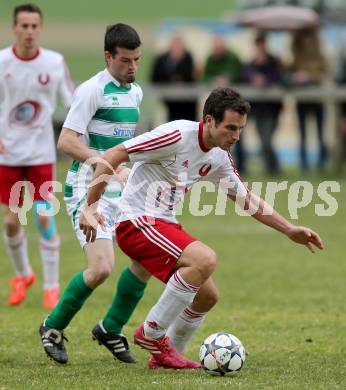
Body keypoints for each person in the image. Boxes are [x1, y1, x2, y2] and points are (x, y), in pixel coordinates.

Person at [80, 87, 324, 369]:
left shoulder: (219, 156)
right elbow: (114, 153)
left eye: (241, 129)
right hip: (135, 221)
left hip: (163, 223)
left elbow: (246, 198)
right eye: (230, 128)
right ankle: (151, 334)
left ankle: (165, 357)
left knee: (208, 296)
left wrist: (289, 229)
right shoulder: (177, 134)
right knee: (204, 259)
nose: (236, 136)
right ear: (209, 121)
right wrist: (90, 207)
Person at [38, 23, 152, 365]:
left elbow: (128, 145)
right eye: (125, 60)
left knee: (146, 259)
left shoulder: (136, 93)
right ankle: (52, 327)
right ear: (108, 57)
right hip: (88, 189)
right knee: (102, 267)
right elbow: (67, 141)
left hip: (123, 190)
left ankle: (111, 328)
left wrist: (132, 169)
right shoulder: (92, 90)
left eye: (137, 60)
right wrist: (104, 162)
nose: (132, 67)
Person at [0, 4, 74, 308]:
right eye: (24, 26)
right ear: (14, 28)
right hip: (8, 153)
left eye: (34, 26)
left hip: (42, 153)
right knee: (11, 221)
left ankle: (52, 286)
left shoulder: (54, 62)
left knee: (44, 215)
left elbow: (72, 100)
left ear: (40, 29)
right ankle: (23, 275)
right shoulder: (2, 61)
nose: (30, 31)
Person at [288, 27, 330, 171]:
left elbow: (326, 75)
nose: (308, 41)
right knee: (303, 134)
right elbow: (289, 73)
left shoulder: (321, 57)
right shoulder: (298, 57)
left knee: (320, 134)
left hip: (318, 100)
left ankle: (321, 163)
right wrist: (297, 77)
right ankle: (304, 164)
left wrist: (309, 77)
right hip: (302, 101)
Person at [203, 35, 245, 173]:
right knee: (221, 135)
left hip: (235, 104)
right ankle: (215, 165)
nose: (217, 50)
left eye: (219, 47)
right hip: (218, 106)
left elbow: (237, 73)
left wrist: (226, 79)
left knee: (236, 136)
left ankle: (240, 166)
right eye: (215, 48)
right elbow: (204, 76)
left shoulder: (232, 57)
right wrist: (214, 80)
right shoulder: (210, 59)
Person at [243, 32, 282, 175]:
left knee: (266, 140)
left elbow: (278, 77)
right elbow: (245, 74)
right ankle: (271, 169)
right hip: (258, 109)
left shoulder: (274, 62)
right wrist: (255, 75)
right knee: (263, 140)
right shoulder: (252, 64)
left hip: (271, 109)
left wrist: (264, 78)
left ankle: (274, 168)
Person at [151, 35, 197, 121]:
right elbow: (154, 78)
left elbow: (191, 78)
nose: (177, 49)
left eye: (179, 46)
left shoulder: (188, 58)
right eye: (175, 46)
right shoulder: (161, 59)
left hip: (187, 102)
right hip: (169, 101)